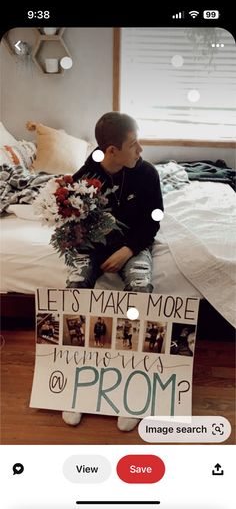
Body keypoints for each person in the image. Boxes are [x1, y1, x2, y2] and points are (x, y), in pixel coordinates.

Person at [63, 112, 163, 431]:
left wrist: (128, 249)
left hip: (132, 246)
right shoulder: (87, 172)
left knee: (140, 288)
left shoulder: (147, 173)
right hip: (94, 246)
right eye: (133, 144)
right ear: (111, 152)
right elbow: (73, 218)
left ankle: (133, 387)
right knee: (75, 287)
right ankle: (74, 385)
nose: (141, 149)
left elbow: (153, 219)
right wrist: (86, 243)